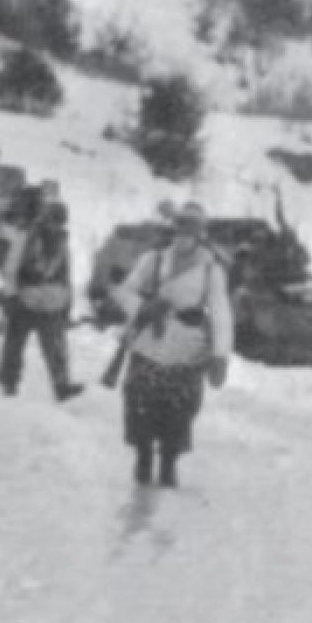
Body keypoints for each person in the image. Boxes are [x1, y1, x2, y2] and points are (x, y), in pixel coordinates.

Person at [113, 200, 234, 489]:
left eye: (190, 232)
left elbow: (220, 314)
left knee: (179, 409)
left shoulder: (211, 270)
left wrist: (220, 356)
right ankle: (143, 458)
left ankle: (168, 463)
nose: (184, 238)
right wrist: (144, 306)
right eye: (180, 230)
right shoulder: (152, 260)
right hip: (148, 344)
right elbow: (124, 292)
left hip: (187, 348)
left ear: (200, 235)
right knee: (139, 401)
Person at [0, 187, 84, 401]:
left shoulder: (61, 240)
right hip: (25, 297)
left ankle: (61, 385)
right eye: (53, 220)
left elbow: (65, 274)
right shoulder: (25, 234)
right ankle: (8, 385)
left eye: (59, 221)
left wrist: (66, 306)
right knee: (13, 345)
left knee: (55, 346)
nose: (56, 225)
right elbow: (10, 267)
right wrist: (11, 296)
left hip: (51, 300)